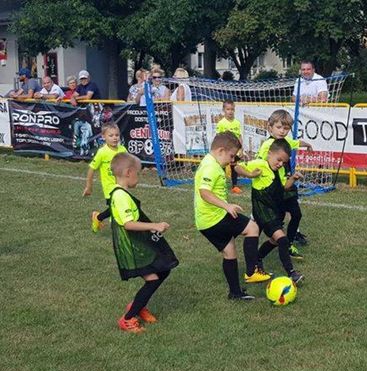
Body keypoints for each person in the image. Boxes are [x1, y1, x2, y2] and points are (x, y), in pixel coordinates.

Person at [194, 132, 271, 299]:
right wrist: (226, 206)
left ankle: (235, 293)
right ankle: (252, 271)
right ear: (220, 150)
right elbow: (204, 192)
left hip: (204, 222)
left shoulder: (209, 162)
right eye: (231, 156)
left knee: (229, 252)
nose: (231, 160)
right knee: (252, 228)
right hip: (215, 218)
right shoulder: (211, 167)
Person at [109, 152, 179, 333]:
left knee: (163, 269)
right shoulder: (120, 196)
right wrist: (154, 225)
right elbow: (128, 224)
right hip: (133, 248)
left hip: (138, 244)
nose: (138, 177)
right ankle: (127, 318)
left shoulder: (121, 193)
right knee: (153, 279)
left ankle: (139, 305)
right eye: (137, 173)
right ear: (128, 172)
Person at [236, 139, 304, 283]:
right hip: (262, 210)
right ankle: (291, 273)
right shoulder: (260, 164)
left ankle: (258, 258)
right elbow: (237, 167)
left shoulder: (280, 170)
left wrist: (293, 178)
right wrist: (250, 175)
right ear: (269, 153)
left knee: (274, 240)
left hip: (274, 210)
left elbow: (284, 187)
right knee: (282, 239)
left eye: (283, 162)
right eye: (278, 160)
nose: (280, 164)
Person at [256, 109, 313, 258]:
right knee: (273, 224)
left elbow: (295, 143)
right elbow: (259, 163)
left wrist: (307, 144)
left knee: (296, 214)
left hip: (288, 186)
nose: (282, 131)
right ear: (270, 127)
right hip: (275, 190)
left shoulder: (286, 141)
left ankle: (289, 243)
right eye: (279, 127)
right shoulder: (267, 145)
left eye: (286, 128)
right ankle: (256, 252)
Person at [83, 122, 128, 232]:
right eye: (111, 135)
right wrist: (89, 187)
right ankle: (113, 226)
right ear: (103, 137)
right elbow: (92, 169)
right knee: (116, 207)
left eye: (117, 135)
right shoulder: (102, 152)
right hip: (109, 188)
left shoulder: (123, 150)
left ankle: (98, 217)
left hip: (122, 186)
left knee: (118, 207)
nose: (114, 138)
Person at [216, 100, 243, 193]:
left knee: (234, 167)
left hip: (234, 150)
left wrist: (241, 148)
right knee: (222, 167)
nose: (230, 111)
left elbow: (239, 136)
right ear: (224, 110)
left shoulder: (237, 123)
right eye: (228, 109)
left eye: (232, 109)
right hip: (225, 150)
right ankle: (221, 185)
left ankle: (234, 186)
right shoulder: (221, 123)